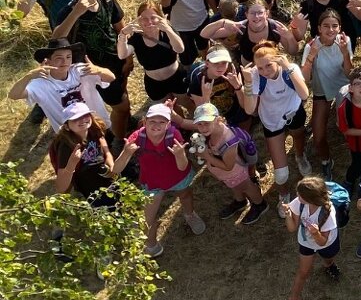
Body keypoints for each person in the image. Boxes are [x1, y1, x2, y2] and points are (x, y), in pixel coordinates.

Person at [111, 102, 204, 257]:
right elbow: (116, 169)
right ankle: (152, 246)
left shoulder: (174, 136)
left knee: (185, 195)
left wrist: (180, 155)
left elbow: (182, 167)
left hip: (178, 178)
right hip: (152, 183)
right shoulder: (136, 137)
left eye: (161, 122)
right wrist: (126, 153)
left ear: (168, 124)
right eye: (152, 121)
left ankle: (190, 214)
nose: (156, 125)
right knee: (148, 218)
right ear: (145, 121)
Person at [49, 0, 130, 136]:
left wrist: (127, 56)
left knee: (122, 98)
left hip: (115, 60)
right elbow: (56, 38)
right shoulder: (69, 10)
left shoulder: (107, 0)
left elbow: (120, 29)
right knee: (118, 105)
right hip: (90, 70)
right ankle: (116, 138)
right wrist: (76, 13)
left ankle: (123, 126)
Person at [236, 41, 310, 205]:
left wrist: (288, 68)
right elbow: (249, 109)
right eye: (260, 68)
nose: (264, 71)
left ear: (278, 59)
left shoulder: (289, 68)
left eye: (269, 65)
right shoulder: (255, 75)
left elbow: (304, 94)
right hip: (272, 121)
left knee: (298, 135)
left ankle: (299, 155)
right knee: (281, 173)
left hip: (294, 112)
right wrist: (247, 83)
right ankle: (284, 196)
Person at [191, 103, 268, 224]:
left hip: (235, 172)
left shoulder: (228, 140)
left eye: (206, 123)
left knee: (246, 186)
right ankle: (240, 201)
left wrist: (206, 156)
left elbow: (228, 166)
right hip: (226, 175)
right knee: (234, 186)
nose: (203, 127)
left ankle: (260, 204)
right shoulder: (210, 131)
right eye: (199, 124)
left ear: (217, 120)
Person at [300, 10, 355, 176]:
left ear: (339, 28)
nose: (330, 30)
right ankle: (326, 161)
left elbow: (349, 74)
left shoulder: (345, 42)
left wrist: (345, 53)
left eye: (334, 26)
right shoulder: (311, 46)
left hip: (343, 89)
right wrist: (312, 55)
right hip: (321, 91)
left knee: (348, 127)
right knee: (318, 137)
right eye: (326, 26)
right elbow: (305, 78)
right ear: (318, 28)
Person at [284, 176, 342, 300]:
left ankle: (329, 265)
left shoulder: (328, 213)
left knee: (329, 257)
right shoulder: (299, 204)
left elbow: (323, 242)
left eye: (300, 195)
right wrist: (288, 215)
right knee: (303, 272)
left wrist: (316, 233)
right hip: (306, 242)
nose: (297, 197)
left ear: (311, 199)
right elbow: (291, 228)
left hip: (326, 242)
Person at [50, 102, 115, 212]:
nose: (83, 120)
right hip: (89, 183)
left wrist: (108, 156)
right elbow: (61, 188)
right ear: (66, 126)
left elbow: (101, 139)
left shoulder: (93, 127)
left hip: (104, 174)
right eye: (75, 118)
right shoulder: (66, 147)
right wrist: (71, 165)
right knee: (107, 211)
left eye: (85, 115)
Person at [118, 2, 188, 103]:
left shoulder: (167, 32)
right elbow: (122, 54)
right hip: (154, 84)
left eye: (153, 17)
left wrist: (168, 29)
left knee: (186, 103)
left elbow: (180, 49)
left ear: (160, 17)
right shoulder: (137, 38)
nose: (149, 22)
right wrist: (123, 34)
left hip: (177, 77)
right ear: (139, 20)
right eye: (144, 18)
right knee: (167, 110)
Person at [202, 0, 298, 65]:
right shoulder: (240, 27)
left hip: (270, 67)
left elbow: (293, 52)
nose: (256, 17)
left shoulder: (275, 28)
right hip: (249, 67)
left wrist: (289, 37)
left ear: (267, 13)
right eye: (252, 13)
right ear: (246, 14)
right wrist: (222, 22)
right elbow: (204, 34)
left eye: (260, 12)